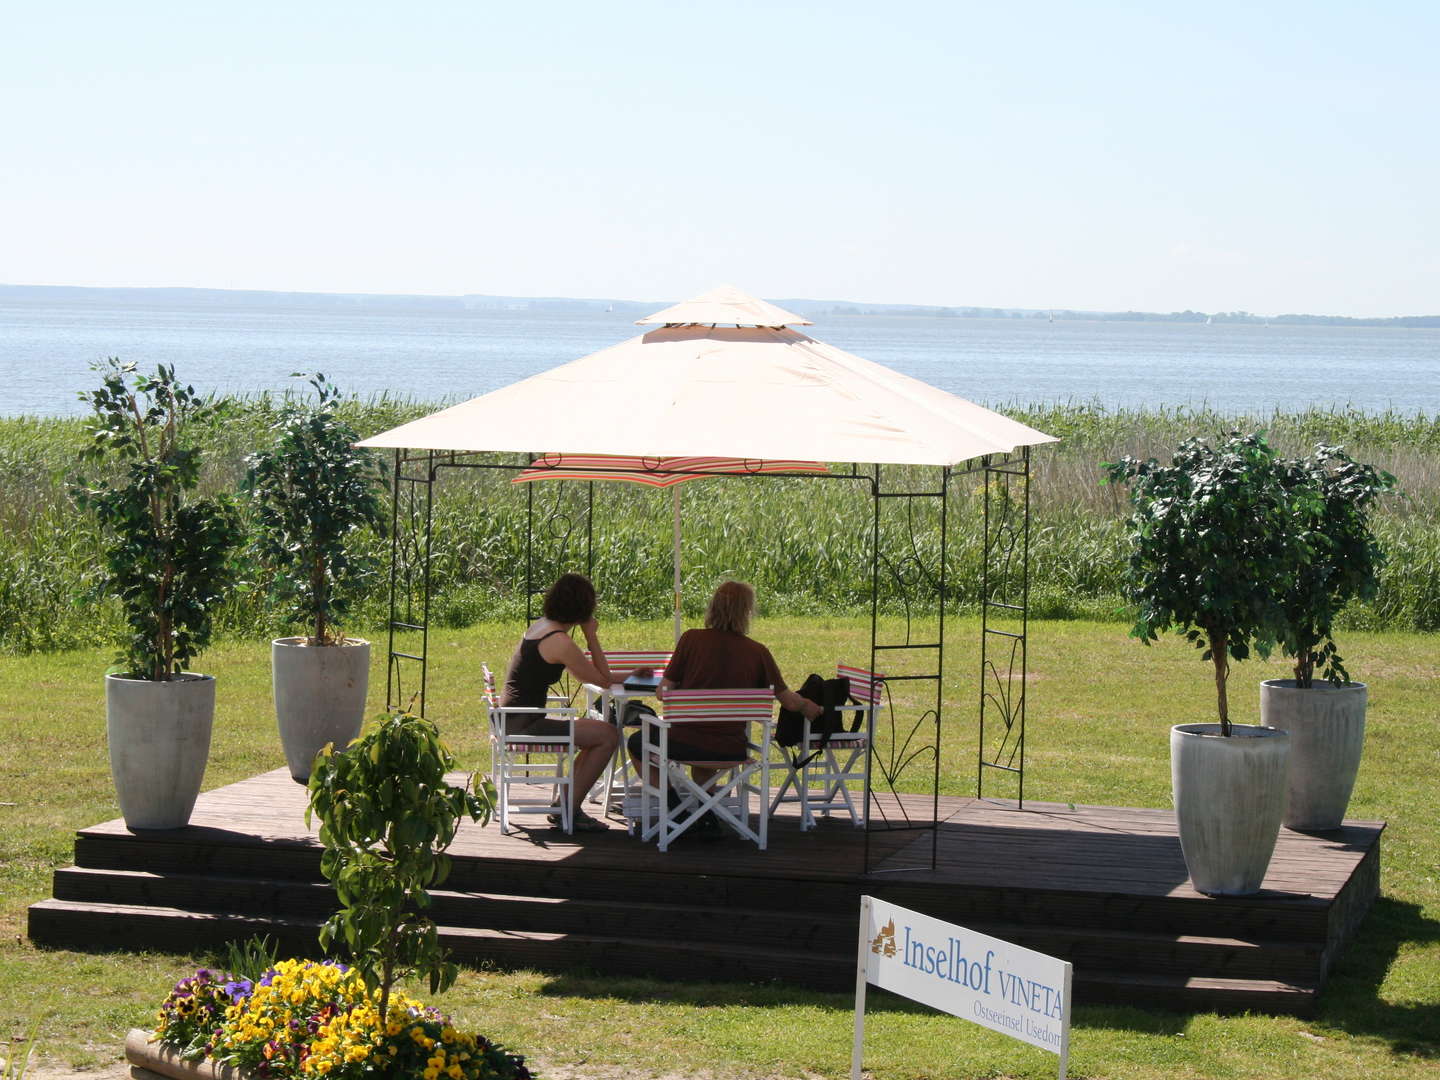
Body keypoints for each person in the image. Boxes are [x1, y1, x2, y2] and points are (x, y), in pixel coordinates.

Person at [628, 580, 821, 836]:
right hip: (731, 746)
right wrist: (811, 707)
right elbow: (788, 700)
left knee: (637, 741)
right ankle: (705, 814)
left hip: (684, 742)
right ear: (746, 612)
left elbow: (663, 693)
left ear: (712, 608)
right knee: (708, 739)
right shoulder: (758, 653)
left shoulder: (691, 639)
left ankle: (674, 806)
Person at [500, 572, 619, 833]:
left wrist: (631, 675)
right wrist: (591, 636)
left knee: (596, 734)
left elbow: (601, 677)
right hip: (525, 724)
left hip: (512, 717)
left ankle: (567, 803)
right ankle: (570, 809)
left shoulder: (542, 627)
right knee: (608, 736)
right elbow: (604, 681)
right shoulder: (560, 641)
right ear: (583, 609)